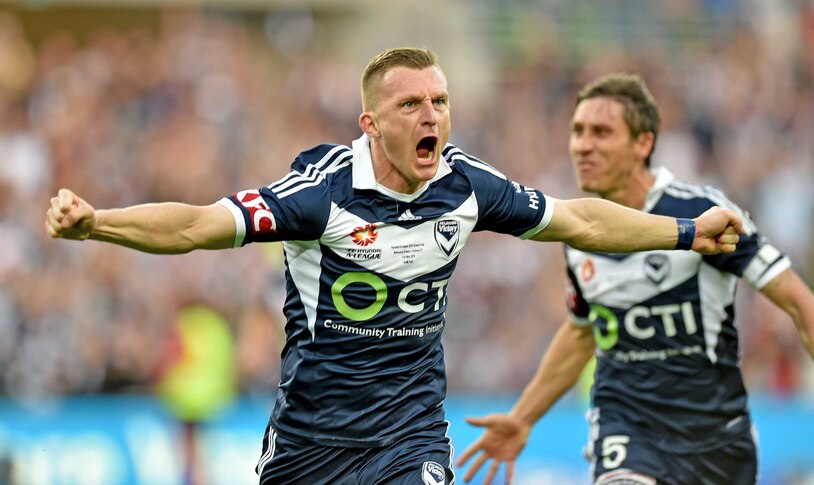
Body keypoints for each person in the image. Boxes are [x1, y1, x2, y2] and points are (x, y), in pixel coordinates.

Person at [46, 50, 744, 485]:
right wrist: (99, 222)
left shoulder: (465, 184)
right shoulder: (320, 192)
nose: (430, 115)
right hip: (310, 440)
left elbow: (582, 218)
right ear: (371, 123)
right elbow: (199, 224)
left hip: (409, 430)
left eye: (439, 101)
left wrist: (685, 230)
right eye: (410, 103)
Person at [456, 73, 814, 485]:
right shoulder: (580, 233)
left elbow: (797, 301)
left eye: (601, 132)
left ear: (643, 143)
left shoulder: (701, 211)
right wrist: (522, 418)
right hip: (626, 427)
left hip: (715, 439)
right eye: (577, 132)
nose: (583, 145)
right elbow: (583, 331)